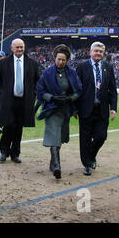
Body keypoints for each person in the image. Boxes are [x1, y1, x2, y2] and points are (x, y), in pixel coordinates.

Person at [36, 44, 82, 179]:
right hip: (52, 109)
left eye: (63, 60)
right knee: (53, 134)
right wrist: (52, 97)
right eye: (58, 59)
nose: (61, 62)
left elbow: (79, 90)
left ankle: (52, 161)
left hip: (65, 109)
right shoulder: (47, 73)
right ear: (54, 58)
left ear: (67, 60)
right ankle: (57, 165)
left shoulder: (72, 73)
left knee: (60, 137)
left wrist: (69, 98)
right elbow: (40, 91)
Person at [0, 38, 41, 163]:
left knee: (19, 128)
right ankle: (4, 152)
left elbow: (38, 81)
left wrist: (33, 94)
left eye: (21, 47)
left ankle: (15, 153)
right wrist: (1, 94)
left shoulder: (32, 63)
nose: (20, 49)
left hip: (24, 102)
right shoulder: (4, 63)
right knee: (8, 126)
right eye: (17, 47)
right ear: (11, 48)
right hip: (8, 101)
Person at [76, 42, 117, 176]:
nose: (98, 53)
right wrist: (75, 108)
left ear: (103, 53)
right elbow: (76, 89)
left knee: (101, 136)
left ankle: (91, 156)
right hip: (85, 109)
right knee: (85, 139)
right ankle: (87, 164)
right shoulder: (82, 67)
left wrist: (113, 108)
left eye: (101, 51)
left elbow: (113, 90)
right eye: (96, 51)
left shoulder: (108, 67)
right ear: (90, 52)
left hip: (102, 110)